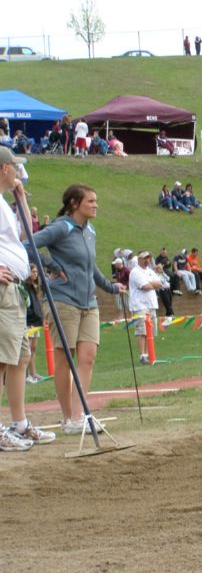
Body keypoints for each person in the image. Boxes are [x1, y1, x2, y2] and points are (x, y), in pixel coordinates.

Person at [27, 183, 124, 434]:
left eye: (95, 200)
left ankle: (79, 416)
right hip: (62, 300)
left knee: (88, 358)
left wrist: (111, 287)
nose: (95, 205)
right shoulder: (61, 226)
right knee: (65, 359)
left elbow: (91, 268)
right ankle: (68, 418)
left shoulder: (90, 230)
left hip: (89, 302)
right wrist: (52, 265)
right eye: (90, 201)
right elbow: (28, 245)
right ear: (74, 203)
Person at [0, 147, 56, 449]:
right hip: (3, 290)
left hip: (17, 289)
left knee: (20, 357)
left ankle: (19, 423)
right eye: (15, 168)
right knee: (1, 358)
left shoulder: (4, 203)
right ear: (3, 168)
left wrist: (21, 198)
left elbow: (20, 239)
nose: (19, 173)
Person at [128, 251, 162, 365]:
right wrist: (151, 284)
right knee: (141, 330)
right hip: (140, 305)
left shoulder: (150, 271)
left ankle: (148, 354)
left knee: (150, 331)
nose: (147, 260)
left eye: (148, 258)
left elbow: (160, 283)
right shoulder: (135, 272)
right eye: (144, 258)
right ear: (139, 259)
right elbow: (145, 286)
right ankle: (142, 355)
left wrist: (150, 283)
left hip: (151, 304)